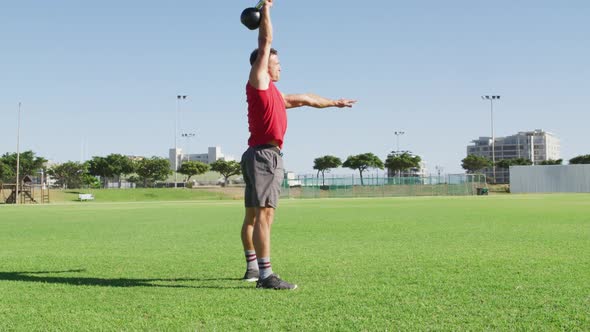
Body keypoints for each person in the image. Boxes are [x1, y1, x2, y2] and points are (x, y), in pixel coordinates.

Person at [240, 0, 356, 290]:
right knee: (263, 214)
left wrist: (334, 103)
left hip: (263, 155)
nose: (280, 68)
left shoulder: (276, 96)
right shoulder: (259, 81)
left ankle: (253, 268)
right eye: (277, 64)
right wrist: (266, 9)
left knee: (255, 215)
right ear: (264, 64)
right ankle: (265, 276)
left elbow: (306, 98)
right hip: (263, 156)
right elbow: (265, 40)